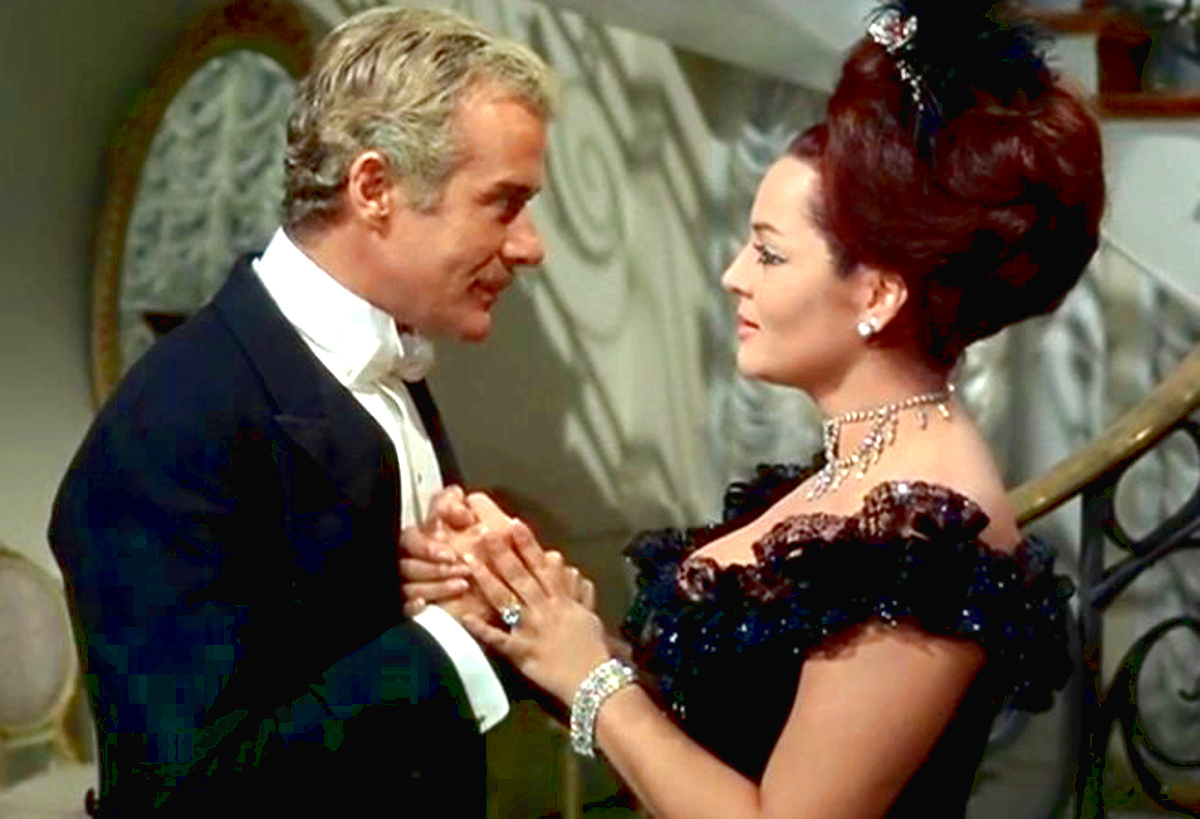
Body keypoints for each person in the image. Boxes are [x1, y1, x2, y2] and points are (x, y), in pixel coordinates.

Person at [401, 1, 1099, 816]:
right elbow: (718, 730)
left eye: (768, 251)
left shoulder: (926, 546)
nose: (734, 275)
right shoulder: (859, 475)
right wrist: (530, 613)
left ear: (877, 294)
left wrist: (585, 668)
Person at [48, 7, 557, 816]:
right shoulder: (170, 429)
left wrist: (502, 595)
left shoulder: (388, 365)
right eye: (504, 203)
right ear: (375, 189)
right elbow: (185, 795)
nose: (531, 246)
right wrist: (454, 639)